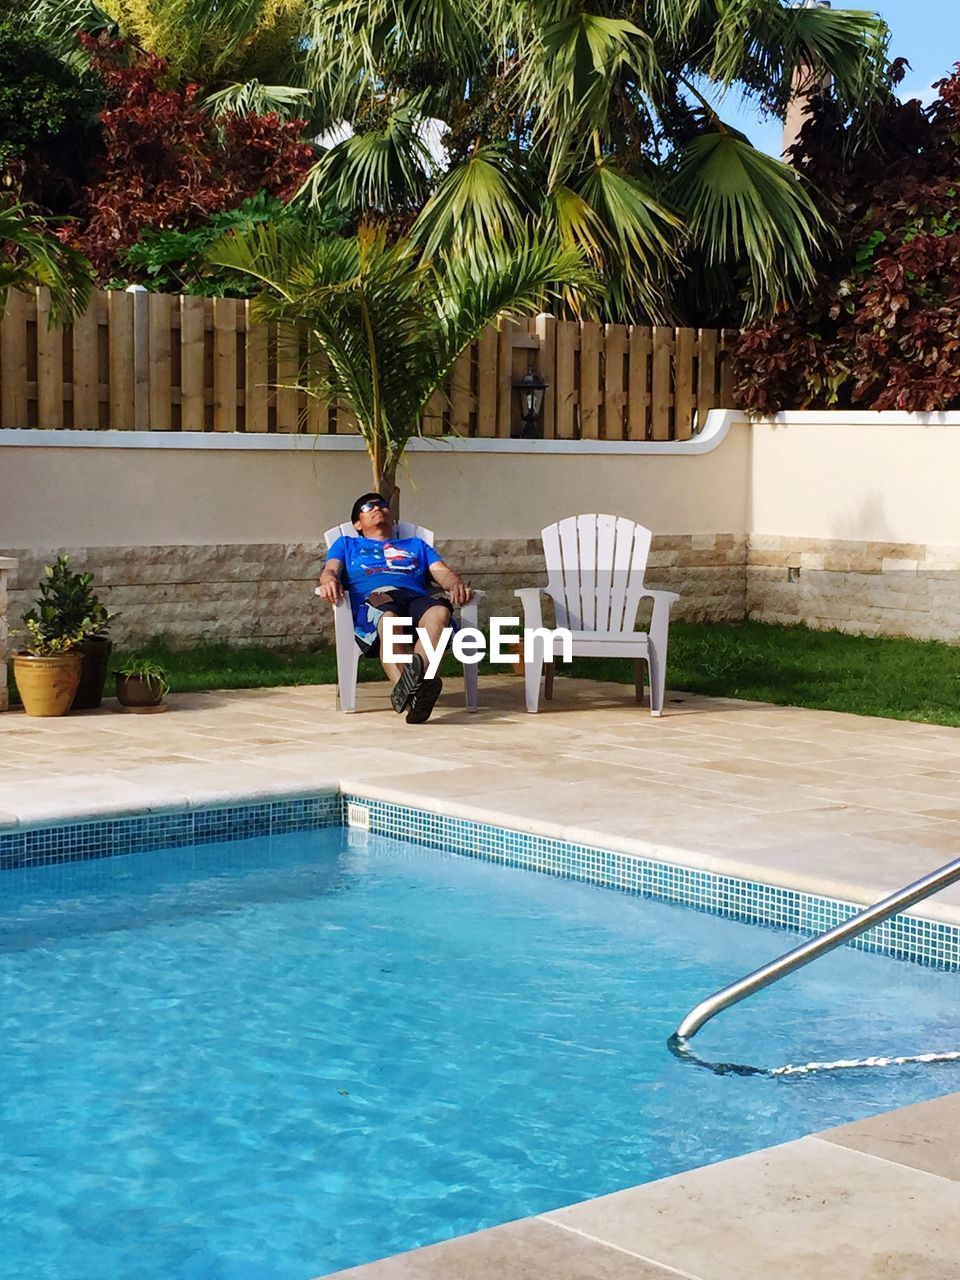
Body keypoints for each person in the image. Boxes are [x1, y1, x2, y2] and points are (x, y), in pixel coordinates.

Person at [316, 493, 474, 723]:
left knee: (440, 613)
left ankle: (412, 693)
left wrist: (455, 584)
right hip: (377, 598)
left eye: (382, 505)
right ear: (357, 524)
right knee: (389, 620)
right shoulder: (347, 544)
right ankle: (416, 696)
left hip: (413, 597)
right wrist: (328, 581)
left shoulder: (415, 545)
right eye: (368, 506)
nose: (377, 508)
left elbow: (443, 572)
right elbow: (330, 570)